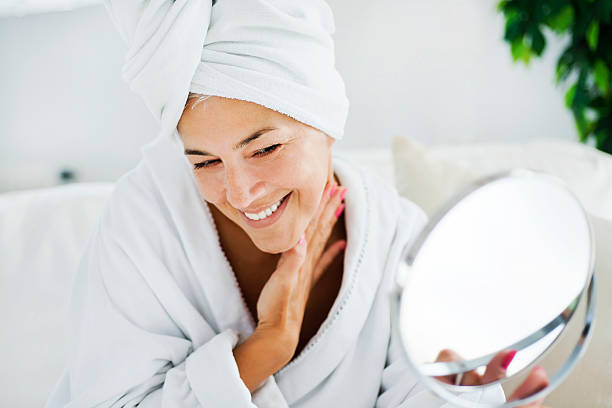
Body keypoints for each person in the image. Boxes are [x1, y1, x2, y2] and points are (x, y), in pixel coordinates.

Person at [44, 0, 550, 407]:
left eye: (264, 148)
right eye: (204, 162)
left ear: (327, 121)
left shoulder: (398, 243)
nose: (241, 194)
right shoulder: (142, 224)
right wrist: (262, 351)